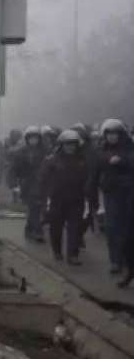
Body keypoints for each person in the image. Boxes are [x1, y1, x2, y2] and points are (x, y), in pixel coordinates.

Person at [40, 130, 94, 265]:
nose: (70, 147)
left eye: (73, 144)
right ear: (62, 145)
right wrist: (45, 196)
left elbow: (90, 178)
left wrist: (88, 191)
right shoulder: (52, 160)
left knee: (75, 227)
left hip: (77, 199)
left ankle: (73, 254)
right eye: (67, 144)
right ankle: (57, 250)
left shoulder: (83, 160)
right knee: (56, 227)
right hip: (57, 199)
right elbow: (43, 179)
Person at [90, 119, 134, 279]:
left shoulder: (129, 148)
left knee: (128, 229)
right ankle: (115, 260)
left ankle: (126, 260)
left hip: (129, 193)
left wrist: (122, 161)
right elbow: (94, 174)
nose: (112, 137)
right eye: (109, 134)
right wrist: (91, 194)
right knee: (112, 227)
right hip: (111, 194)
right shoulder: (101, 151)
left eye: (115, 134)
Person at [10, 126, 47, 242]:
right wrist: (13, 184)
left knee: (38, 208)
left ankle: (29, 228)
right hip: (28, 184)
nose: (33, 140)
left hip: (43, 183)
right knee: (34, 206)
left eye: (35, 137)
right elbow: (14, 169)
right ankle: (38, 231)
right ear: (27, 138)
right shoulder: (21, 152)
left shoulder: (45, 151)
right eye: (31, 137)